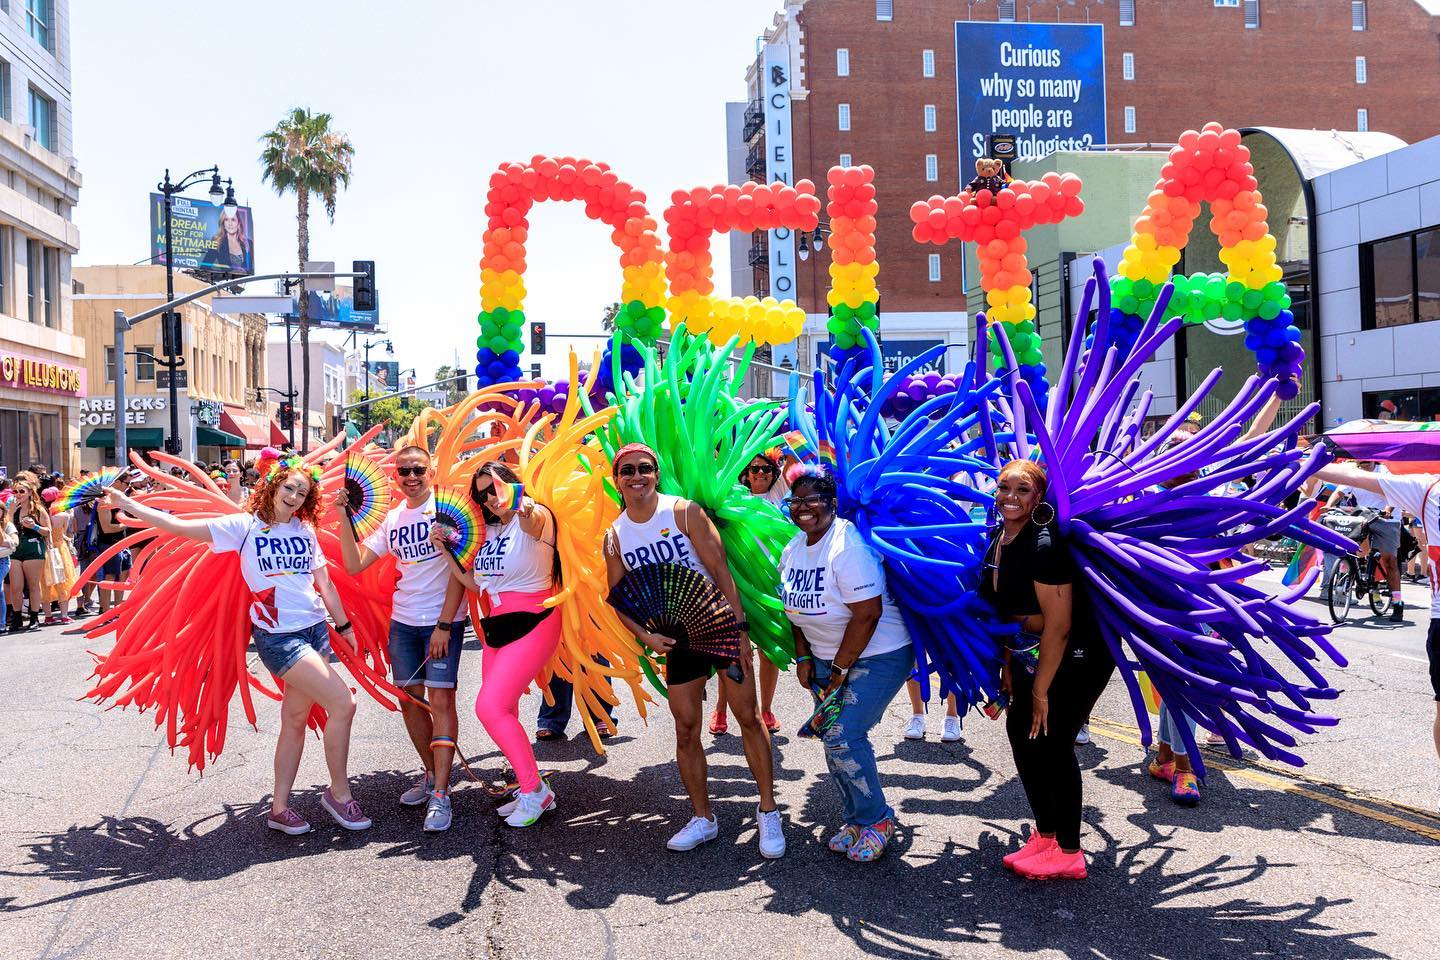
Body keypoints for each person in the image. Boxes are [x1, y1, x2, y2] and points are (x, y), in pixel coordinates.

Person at [101, 456, 369, 834]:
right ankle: (338, 795)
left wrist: (344, 627)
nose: (293, 496)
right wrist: (131, 506)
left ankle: (278, 808)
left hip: (315, 631)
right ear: (272, 486)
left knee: (294, 720)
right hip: (279, 638)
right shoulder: (242, 528)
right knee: (344, 703)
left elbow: (324, 585)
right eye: (288, 487)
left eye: (301, 492)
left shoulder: (305, 532)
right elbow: (178, 526)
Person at [603, 443, 785, 857]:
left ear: (656, 473)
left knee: (748, 718)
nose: (637, 476)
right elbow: (617, 599)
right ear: (617, 479)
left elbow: (721, 571)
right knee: (686, 726)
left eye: (645, 468)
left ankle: (768, 810)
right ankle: (703, 817)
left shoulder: (684, 512)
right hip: (677, 636)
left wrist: (739, 630)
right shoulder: (615, 536)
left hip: (719, 625)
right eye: (627, 470)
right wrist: (646, 637)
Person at [984, 460, 1114, 881]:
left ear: (1038, 498)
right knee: (1022, 737)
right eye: (1005, 488)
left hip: (1076, 653)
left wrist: (1040, 690)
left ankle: (1070, 851)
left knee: (1053, 743)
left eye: (1022, 491)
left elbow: (1058, 627)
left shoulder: (1045, 545)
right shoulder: (997, 537)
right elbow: (1003, 610)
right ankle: (1046, 834)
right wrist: (1006, 666)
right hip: (1027, 652)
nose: (1011, 498)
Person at [333, 445, 468, 833]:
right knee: (410, 701)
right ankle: (430, 774)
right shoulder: (393, 519)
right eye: (404, 471)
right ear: (395, 475)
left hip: (443, 623)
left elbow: (460, 573)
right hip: (404, 623)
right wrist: (344, 519)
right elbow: (354, 563)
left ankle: (442, 795)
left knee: (441, 700)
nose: (411, 477)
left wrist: (444, 624)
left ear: (432, 470)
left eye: (417, 470)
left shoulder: (446, 511)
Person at [781, 466, 913, 861]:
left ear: (833, 504)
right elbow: (795, 611)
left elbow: (867, 614)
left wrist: (838, 671)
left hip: (878, 654)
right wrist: (804, 655)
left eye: (813, 499)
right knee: (834, 739)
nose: (803, 508)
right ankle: (856, 820)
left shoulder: (847, 546)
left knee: (843, 734)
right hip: (824, 659)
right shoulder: (793, 549)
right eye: (796, 500)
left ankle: (877, 820)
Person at [432, 461, 563, 828]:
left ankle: (533, 790)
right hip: (496, 626)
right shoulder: (489, 532)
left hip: (535, 620)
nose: (491, 497)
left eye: (496, 487)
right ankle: (531, 786)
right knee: (503, 709)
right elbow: (476, 584)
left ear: (511, 483)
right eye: (482, 493)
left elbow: (531, 519)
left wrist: (522, 503)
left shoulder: (535, 517)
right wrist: (447, 551)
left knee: (490, 707)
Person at [1315, 462, 1440, 766]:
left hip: (1388, 523)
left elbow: (1359, 479)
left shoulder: (1426, 487)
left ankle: (1394, 598)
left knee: (1390, 561)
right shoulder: (1428, 488)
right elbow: (1350, 480)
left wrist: (1305, 458)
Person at [710, 452, 785, 736]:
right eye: (755, 469)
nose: (762, 474)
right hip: (739, 583)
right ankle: (720, 708)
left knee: (768, 652)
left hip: (771, 584)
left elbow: (793, 460)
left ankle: (766, 708)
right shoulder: (735, 495)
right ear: (746, 473)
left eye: (767, 469)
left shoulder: (780, 494)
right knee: (731, 650)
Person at [1328, 461, 1404, 623]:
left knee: (1390, 561)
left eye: (1367, 460)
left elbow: (1393, 495)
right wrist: (1328, 506)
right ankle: (1359, 573)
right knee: (1352, 548)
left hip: (1386, 519)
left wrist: (1388, 511)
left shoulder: (1385, 471)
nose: (1364, 463)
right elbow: (1340, 492)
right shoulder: (1354, 471)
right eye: (1360, 461)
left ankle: (1397, 603)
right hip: (1363, 517)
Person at [7, 480, 51, 632]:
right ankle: (17, 617)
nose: (18, 494)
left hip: (33, 547)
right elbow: (5, 529)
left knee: (33, 585)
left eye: (22, 491)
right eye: (16, 492)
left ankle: (34, 617)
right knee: (15, 586)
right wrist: (11, 513)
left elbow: (48, 531)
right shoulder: (11, 509)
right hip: (15, 548)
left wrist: (35, 526)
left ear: (30, 492)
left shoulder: (38, 509)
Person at [95, 473, 135, 614]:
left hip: (122, 544)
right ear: (117, 482)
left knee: (123, 576)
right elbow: (106, 528)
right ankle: (106, 612)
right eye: (127, 483)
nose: (129, 487)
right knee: (110, 577)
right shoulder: (104, 501)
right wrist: (127, 524)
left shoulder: (119, 500)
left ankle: (117, 611)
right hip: (109, 544)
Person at [40, 487, 77, 624]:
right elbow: (64, 533)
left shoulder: (41, 515)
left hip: (45, 549)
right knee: (64, 580)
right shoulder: (64, 516)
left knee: (45, 582)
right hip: (60, 548)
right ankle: (64, 615)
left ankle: (48, 616)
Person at [201, 205, 251, 273]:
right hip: (226, 282)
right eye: (226, 220)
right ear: (223, 223)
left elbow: (251, 270)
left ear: (238, 223)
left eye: (233, 220)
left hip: (244, 282)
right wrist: (227, 274)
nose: (230, 224)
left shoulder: (248, 243)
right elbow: (204, 267)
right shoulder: (217, 241)